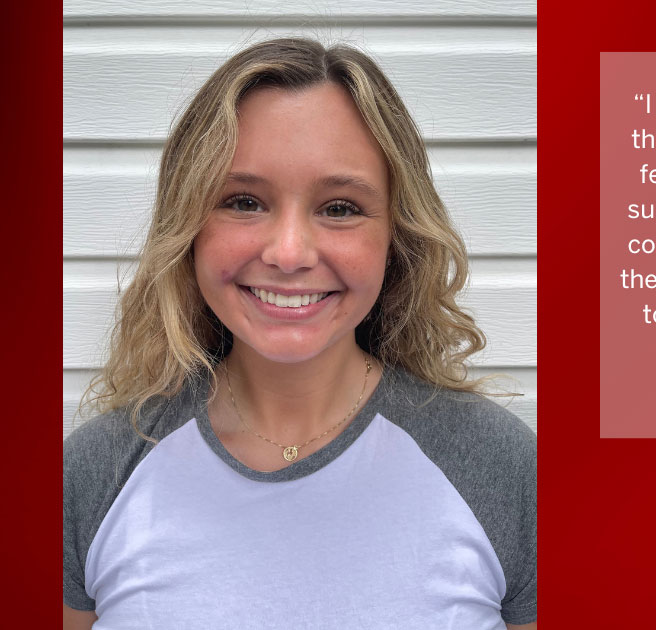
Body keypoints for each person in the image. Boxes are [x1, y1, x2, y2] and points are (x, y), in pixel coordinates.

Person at [62, 38, 536, 629]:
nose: (289, 254)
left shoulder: (503, 467)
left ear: (397, 236)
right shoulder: (96, 471)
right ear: (187, 228)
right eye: (243, 201)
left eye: (339, 208)